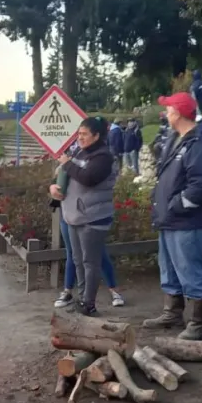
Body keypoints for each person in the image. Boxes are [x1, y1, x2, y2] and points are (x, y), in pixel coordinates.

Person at [142, 91, 202, 340]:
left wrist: (178, 204)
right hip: (170, 218)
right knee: (169, 268)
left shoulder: (200, 143)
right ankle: (173, 312)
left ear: (178, 113)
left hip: (185, 220)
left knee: (189, 268)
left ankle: (197, 323)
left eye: (168, 109)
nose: (165, 113)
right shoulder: (177, 138)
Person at [51, 116, 117, 316]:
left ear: (96, 136)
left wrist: (67, 164)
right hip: (73, 215)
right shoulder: (78, 152)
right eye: (78, 134)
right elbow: (62, 174)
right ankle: (82, 299)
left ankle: (89, 303)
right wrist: (53, 187)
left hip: (93, 218)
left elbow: (88, 178)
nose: (80, 137)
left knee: (90, 262)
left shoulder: (103, 157)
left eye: (84, 134)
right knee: (78, 260)